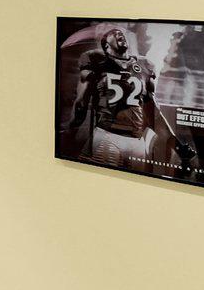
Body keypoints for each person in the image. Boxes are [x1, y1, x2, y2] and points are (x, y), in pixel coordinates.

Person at [65, 26, 196, 177]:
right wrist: (70, 134)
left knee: (134, 186)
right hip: (108, 137)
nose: (119, 33)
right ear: (105, 46)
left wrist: (179, 147)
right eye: (113, 34)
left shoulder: (144, 66)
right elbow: (81, 103)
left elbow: (154, 115)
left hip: (136, 142)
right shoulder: (96, 61)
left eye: (121, 33)